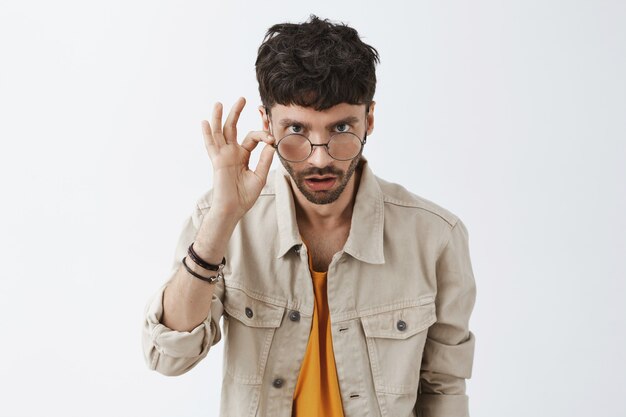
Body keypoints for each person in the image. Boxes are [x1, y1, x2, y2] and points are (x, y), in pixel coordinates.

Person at [142, 15, 476, 417]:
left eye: (340, 128)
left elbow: (443, 388)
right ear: (267, 123)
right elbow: (168, 356)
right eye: (297, 129)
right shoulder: (222, 220)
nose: (320, 157)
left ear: (369, 119)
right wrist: (221, 219)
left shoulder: (435, 236)